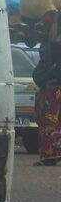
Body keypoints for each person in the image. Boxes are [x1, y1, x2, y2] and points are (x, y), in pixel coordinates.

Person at [34, 9, 61, 165]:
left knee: (50, 122)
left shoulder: (55, 41)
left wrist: (56, 17)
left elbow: (54, 40)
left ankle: (50, 156)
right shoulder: (46, 43)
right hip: (49, 86)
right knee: (45, 121)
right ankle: (49, 155)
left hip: (55, 87)